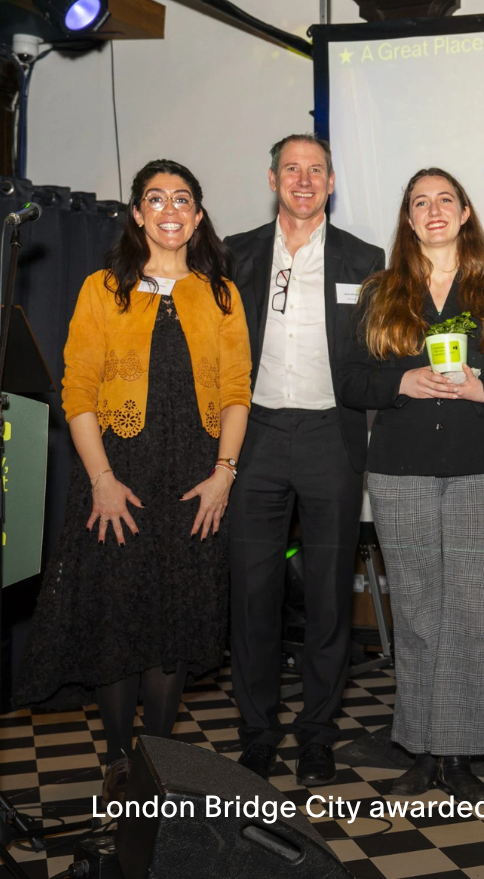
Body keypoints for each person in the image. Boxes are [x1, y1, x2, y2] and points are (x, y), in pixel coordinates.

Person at [15, 160, 250, 803]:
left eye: (183, 199)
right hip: (117, 474)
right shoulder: (102, 288)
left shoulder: (221, 294)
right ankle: (120, 758)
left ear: (197, 217)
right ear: (138, 214)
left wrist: (223, 475)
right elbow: (78, 391)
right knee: (118, 613)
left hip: (194, 478)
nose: (170, 208)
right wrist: (102, 481)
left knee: (174, 615)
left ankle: (159, 756)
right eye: (156, 198)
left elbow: (236, 393)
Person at [337, 167, 484, 802]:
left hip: (480, 471)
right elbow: (350, 382)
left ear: (465, 213)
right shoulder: (381, 293)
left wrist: (483, 389)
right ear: (409, 220)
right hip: (398, 471)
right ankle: (421, 747)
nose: (433, 211)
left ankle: (459, 752)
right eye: (419, 203)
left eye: (445, 200)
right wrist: (397, 384)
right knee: (415, 612)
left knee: (465, 612)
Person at [226, 135, 385, 787]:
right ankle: (257, 736)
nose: (303, 179)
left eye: (314, 169)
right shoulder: (234, 254)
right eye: (291, 169)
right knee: (253, 596)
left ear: (331, 180)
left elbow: (380, 354)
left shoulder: (364, 259)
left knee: (326, 600)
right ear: (273, 179)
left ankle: (317, 737)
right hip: (253, 439)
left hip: (331, 440)